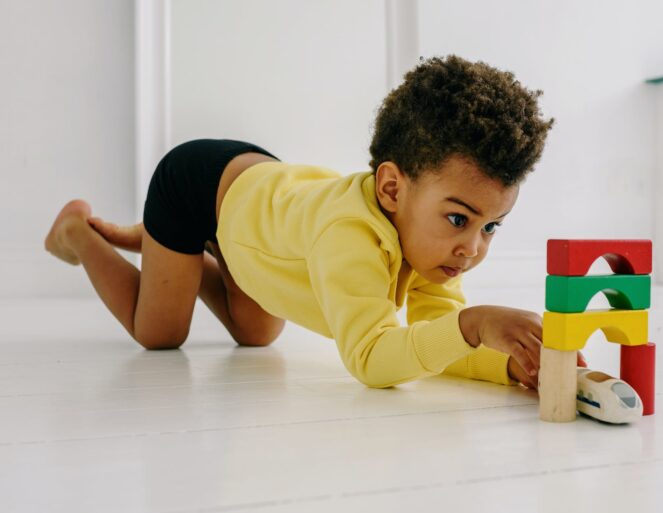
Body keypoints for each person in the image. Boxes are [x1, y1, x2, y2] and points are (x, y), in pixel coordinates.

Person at [45, 55, 583, 390]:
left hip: (261, 203)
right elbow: (373, 359)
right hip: (195, 184)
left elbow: (434, 341)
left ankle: (188, 248)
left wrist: (509, 366)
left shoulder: (437, 241)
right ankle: (81, 235)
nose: (472, 247)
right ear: (392, 188)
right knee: (159, 334)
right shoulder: (348, 238)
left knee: (256, 334)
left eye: (492, 227)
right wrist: (474, 324)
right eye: (461, 219)